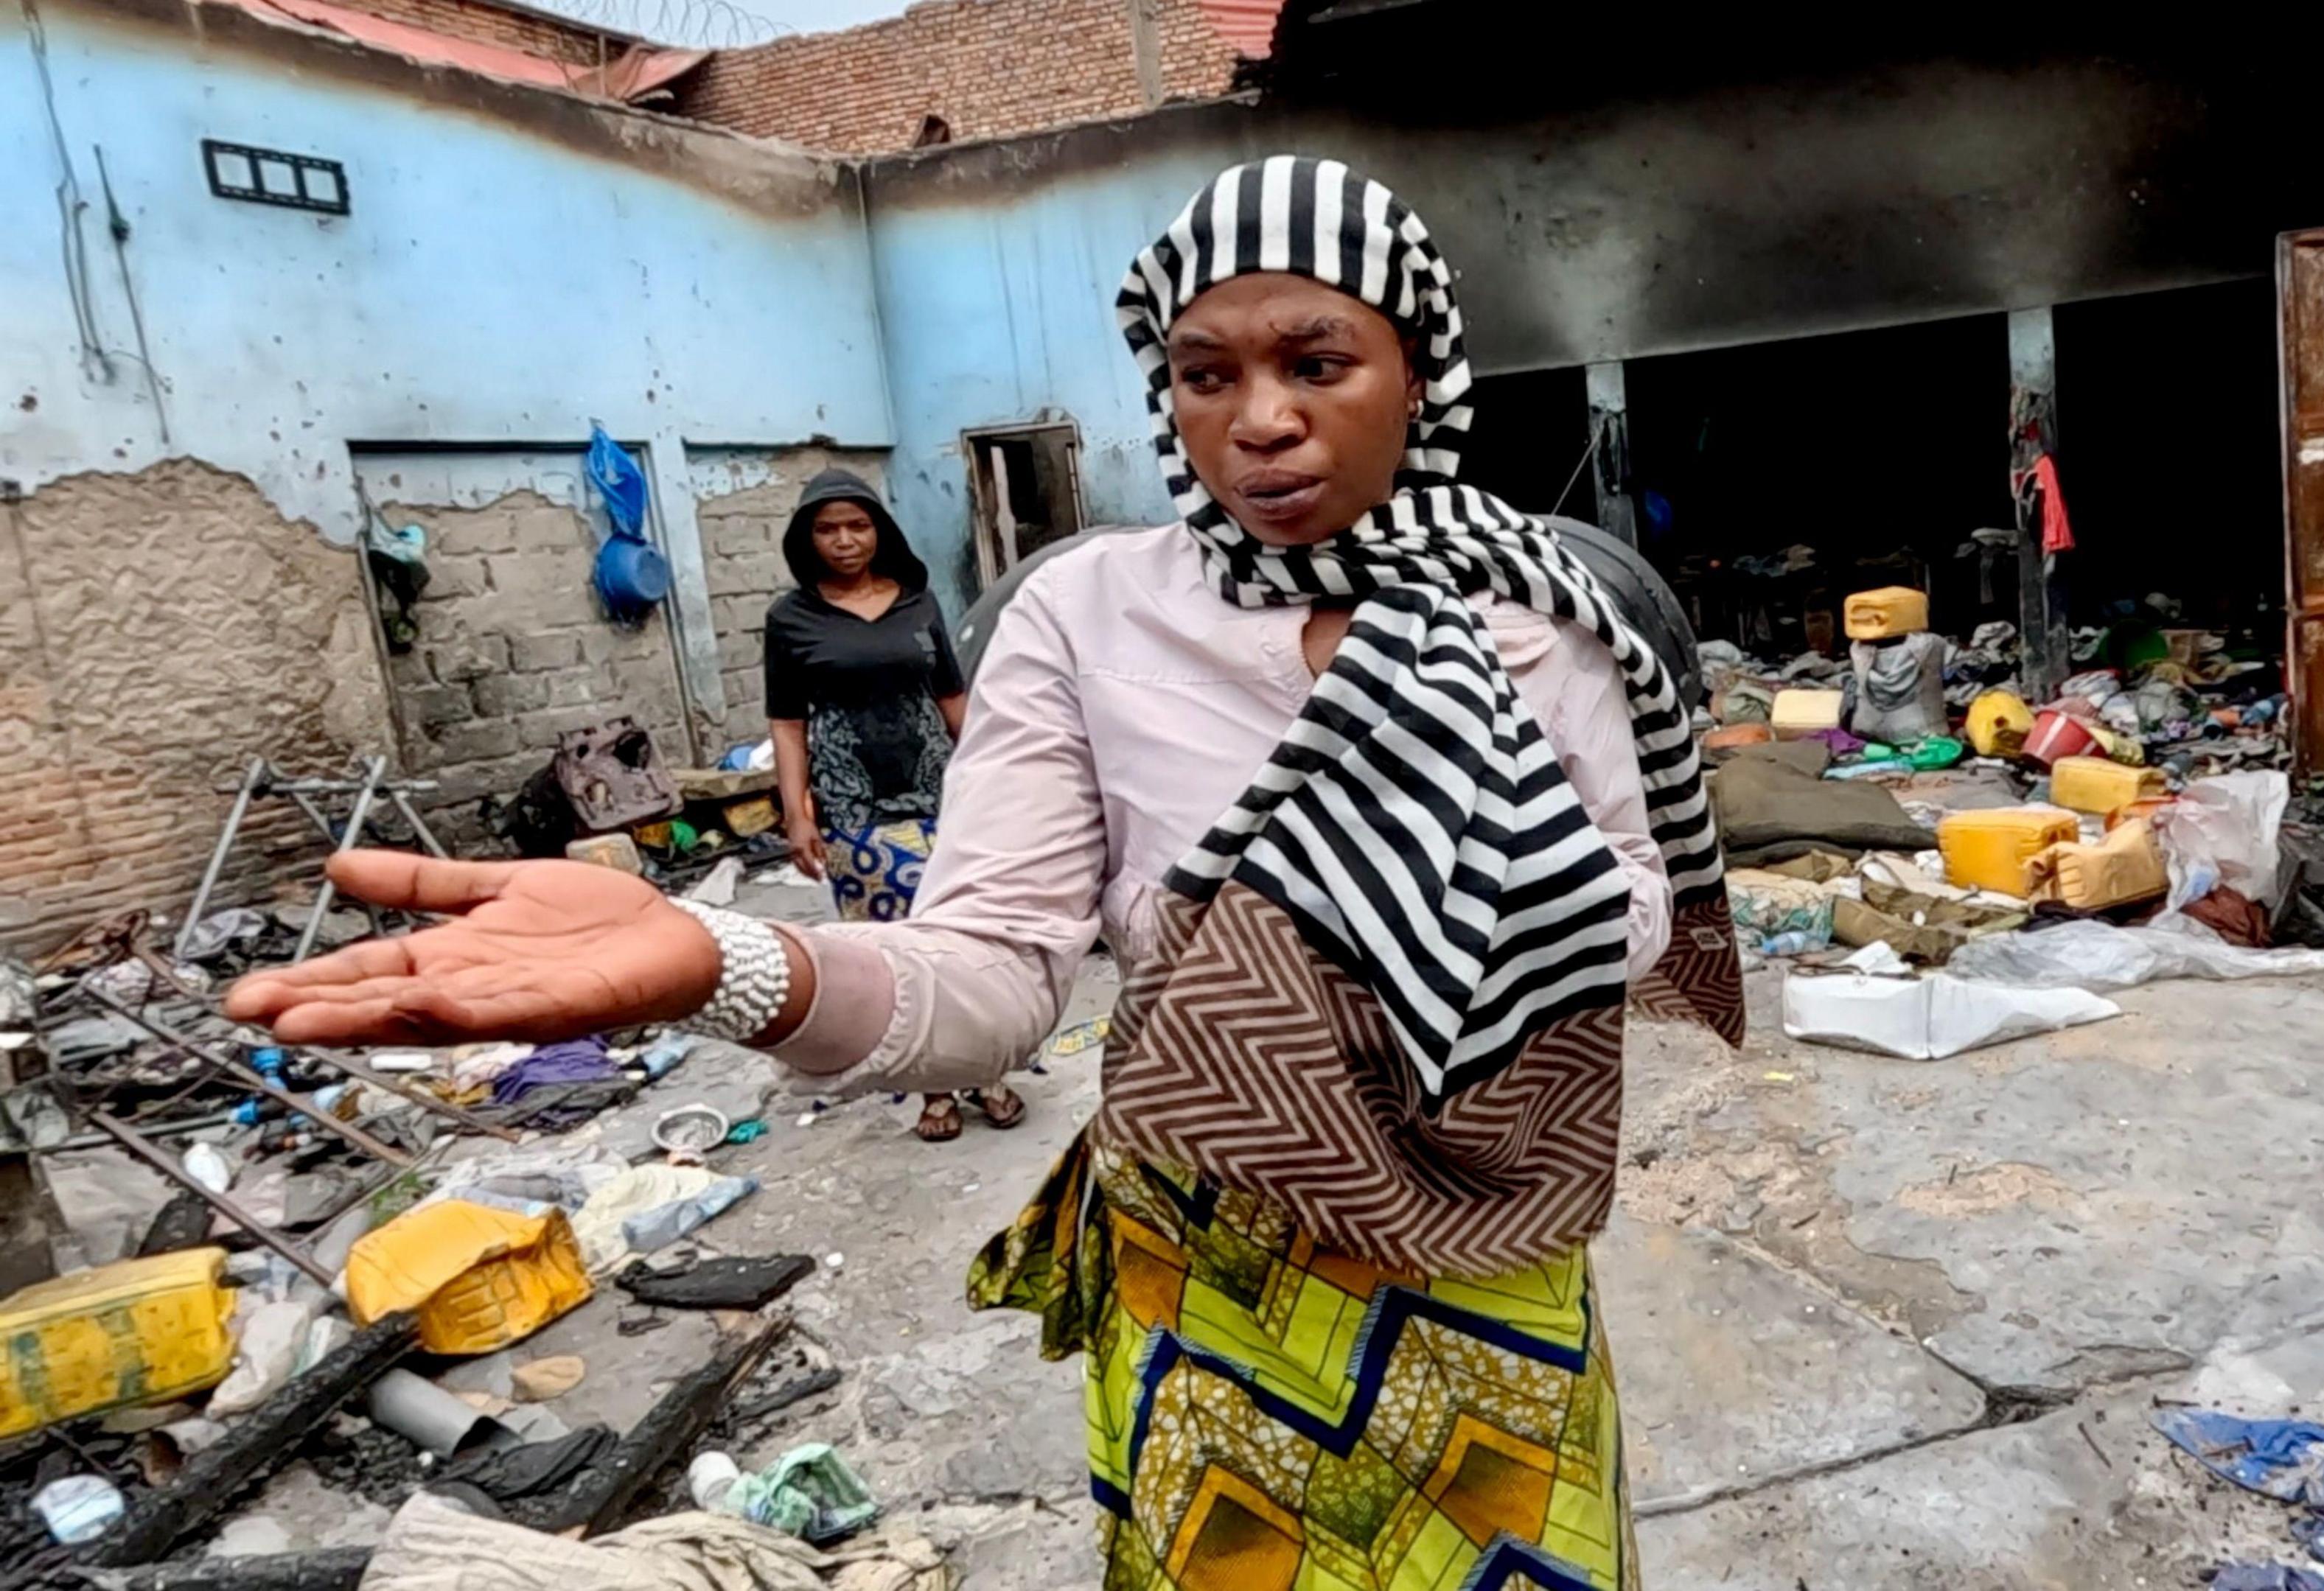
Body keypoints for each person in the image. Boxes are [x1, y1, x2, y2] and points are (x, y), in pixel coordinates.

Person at [228, 157, 1741, 1590]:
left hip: (1487, 1233)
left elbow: (1636, 899)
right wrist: (728, 959)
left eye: (1317, 361)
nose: (1259, 420)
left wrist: (1370, 901)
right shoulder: (1089, 612)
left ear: (1418, 369)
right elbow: (993, 968)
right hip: (1210, 1250)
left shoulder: (1536, 615)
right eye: (1206, 372)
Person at [760, 467, 1023, 1143]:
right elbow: (787, 723)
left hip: (942, 795)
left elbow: (953, 700)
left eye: (858, 524)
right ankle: (934, 1086)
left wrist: (1005, 774)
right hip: (857, 810)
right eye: (827, 528)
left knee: (966, 931)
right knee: (898, 945)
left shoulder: (918, 603)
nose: (845, 540)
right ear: (806, 537)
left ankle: (988, 1068)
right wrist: (798, 812)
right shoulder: (791, 620)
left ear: (880, 530)